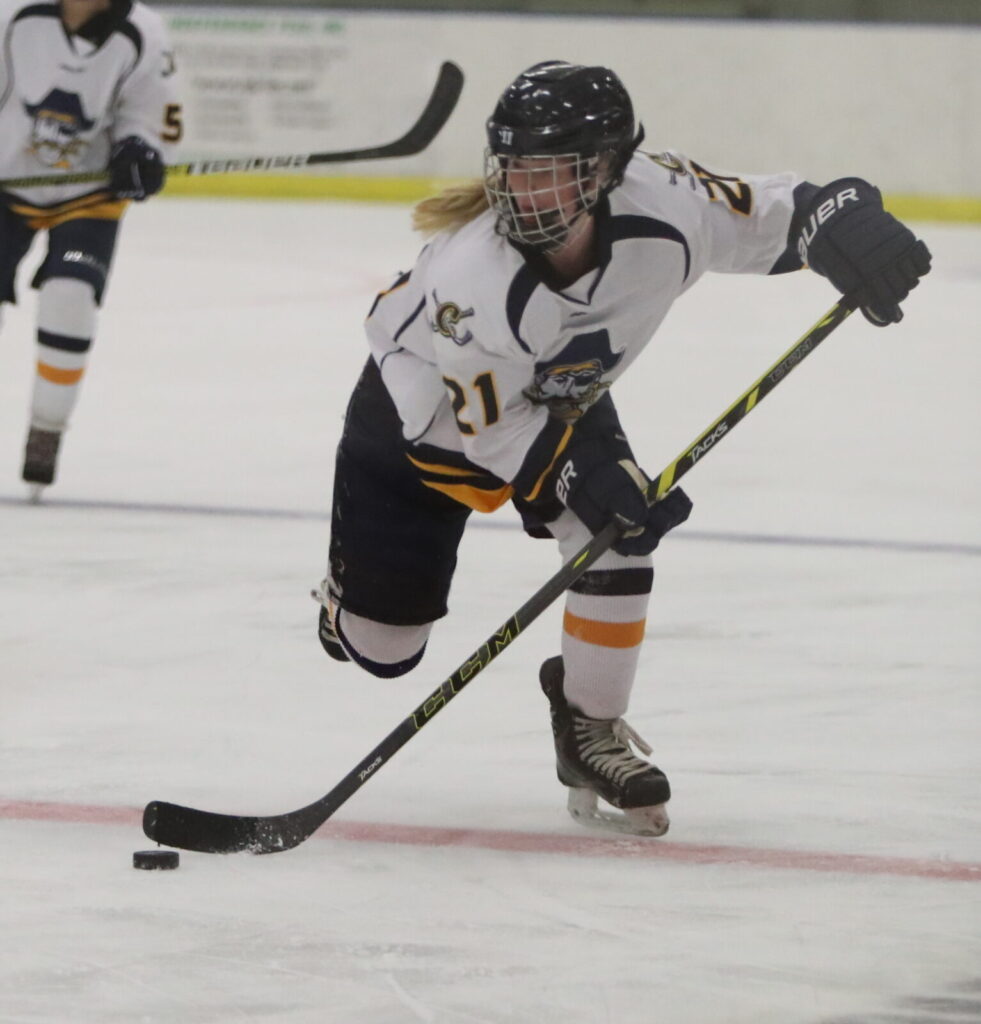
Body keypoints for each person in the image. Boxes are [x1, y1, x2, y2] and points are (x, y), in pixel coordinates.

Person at [313, 60, 931, 836]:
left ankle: (589, 728)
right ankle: (345, 602)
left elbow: (780, 211)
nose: (519, 193)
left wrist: (842, 220)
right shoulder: (475, 280)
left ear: (604, 171)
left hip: (554, 401)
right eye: (510, 169)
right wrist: (583, 471)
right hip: (418, 423)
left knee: (619, 530)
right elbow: (491, 429)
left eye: (546, 173)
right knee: (382, 652)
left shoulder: (665, 205)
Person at [0, 0, 181, 495]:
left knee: (70, 297)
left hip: (87, 195)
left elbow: (153, 117)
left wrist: (139, 150)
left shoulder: (144, 31)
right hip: (3, 186)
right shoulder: (14, 14)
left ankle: (47, 429)